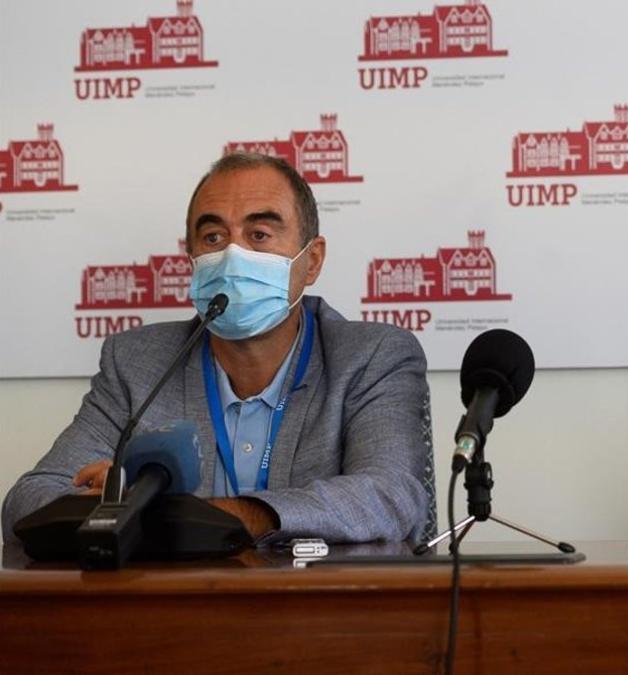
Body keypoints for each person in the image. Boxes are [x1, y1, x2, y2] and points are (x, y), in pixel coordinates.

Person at [2, 153, 433, 545]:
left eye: (260, 234)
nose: (233, 254)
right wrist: (120, 501)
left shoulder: (372, 356)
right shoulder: (137, 364)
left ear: (312, 260)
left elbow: (391, 495)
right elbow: (28, 500)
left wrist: (214, 515)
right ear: (190, 257)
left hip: (320, 618)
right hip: (172, 617)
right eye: (212, 237)